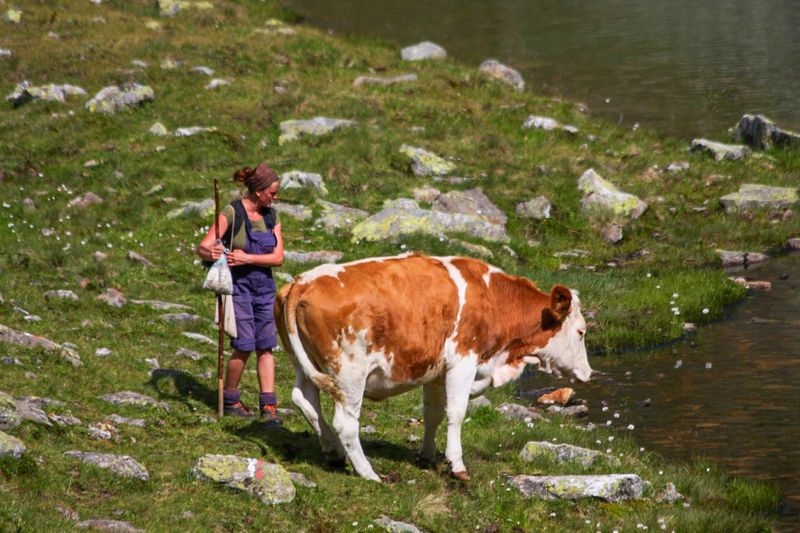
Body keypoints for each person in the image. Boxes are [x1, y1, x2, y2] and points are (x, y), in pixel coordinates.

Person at [197, 163, 284, 424]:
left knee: (266, 346)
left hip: (265, 289)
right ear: (258, 192)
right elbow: (204, 246)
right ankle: (231, 398)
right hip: (237, 289)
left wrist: (248, 258)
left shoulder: (272, 217)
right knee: (244, 345)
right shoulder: (232, 212)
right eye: (272, 192)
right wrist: (209, 252)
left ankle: (268, 407)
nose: (275, 197)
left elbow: (278, 258)